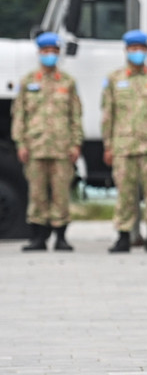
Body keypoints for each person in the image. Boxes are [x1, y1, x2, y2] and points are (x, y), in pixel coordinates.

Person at [101, 30, 147, 253]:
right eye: (133, 48)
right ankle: (123, 237)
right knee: (125, 194)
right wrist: (108, 145)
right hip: (123, 147)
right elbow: (108, 115)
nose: (137, 52)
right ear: (126, 50)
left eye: (141, 48)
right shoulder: (115, 79)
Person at [12, 32, 82, 252]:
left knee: (61, 194)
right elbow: (19, 115)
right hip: (35, 147)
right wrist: (21, 144)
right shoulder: (28, 82)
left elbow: (75, 115)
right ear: (39, 53)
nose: (49, 55)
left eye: (53, 51)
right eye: (46, 51)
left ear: (58, 53)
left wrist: (76, 144)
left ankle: (61, 237)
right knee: (37, 194)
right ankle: (38, 238)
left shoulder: (68, 82)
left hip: (62, 148)